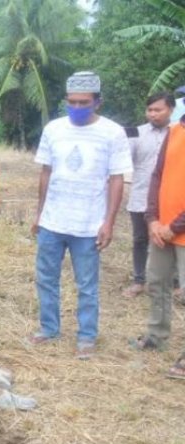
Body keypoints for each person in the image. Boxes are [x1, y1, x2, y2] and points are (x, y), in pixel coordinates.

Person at [28, 71, 132, 360]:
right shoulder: (54, 129)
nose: (76, 107)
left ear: (97, 102)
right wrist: (39, 213)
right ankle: (49, 328)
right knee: (46, 278)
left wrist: (108, 222)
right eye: (71, 102)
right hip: (53, 221)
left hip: (88, 223)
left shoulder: (112, 132)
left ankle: (86, 336)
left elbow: (116, 179)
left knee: (86, 284)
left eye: (83, 102)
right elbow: (46, 172)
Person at [130, 114, 185, 352]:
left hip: (174, 230)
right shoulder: (174, 131)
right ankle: (155, 335)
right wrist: (152, 219)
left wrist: (174, 227)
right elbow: (157, 175)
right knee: (156, 282)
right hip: (162, 230)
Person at [123, 93, 175, 299]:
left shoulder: (178, 132)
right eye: (150, 110)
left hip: (171, 197)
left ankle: (175, 282)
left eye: (158, 110)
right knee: (140, 239)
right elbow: (125, 161)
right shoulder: (135, 132)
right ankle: (139, 280)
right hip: (141, 196)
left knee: (172, 238)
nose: (153, 114)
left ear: (170, 110)